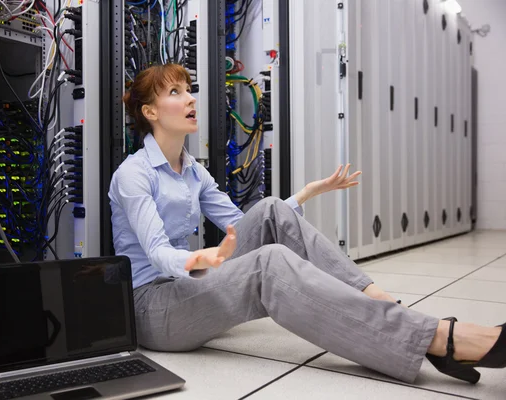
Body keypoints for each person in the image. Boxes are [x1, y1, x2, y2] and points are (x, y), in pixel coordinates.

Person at [108, 63, 505, 385]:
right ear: (150, 112)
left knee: (270, 210)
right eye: (175, 92)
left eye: (188, 88)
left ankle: (384, 304)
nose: (190, 97)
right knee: (269, 264)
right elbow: (159, 254)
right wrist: (202, 258)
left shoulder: (193, 171)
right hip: (152, 307)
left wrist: (304, 196)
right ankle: (438, 339)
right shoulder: (134, 174)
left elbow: (243, 223)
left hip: (186, 284)